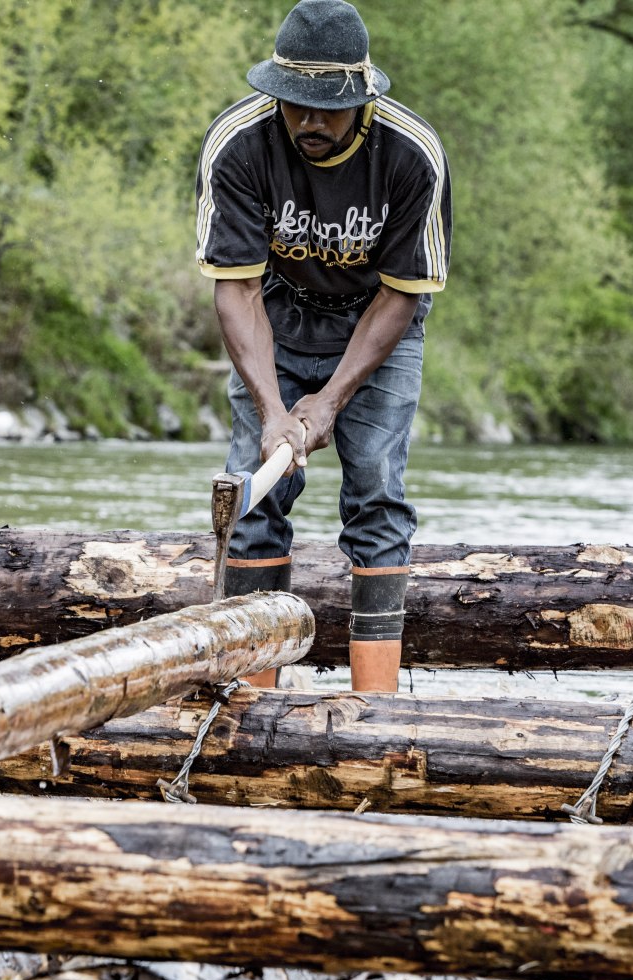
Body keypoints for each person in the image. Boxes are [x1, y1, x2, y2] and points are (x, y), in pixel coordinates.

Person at [195, 0, 450, 691]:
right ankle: (250, 701)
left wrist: (330, 402)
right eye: (294, 104)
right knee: (254, 497)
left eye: (326, 108)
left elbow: (403, 294)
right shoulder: (239, 145)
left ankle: (375, 708)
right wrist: (277, 412)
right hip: (274, 316)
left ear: (361, 97)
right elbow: (237, 292)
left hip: (377, 324)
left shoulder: (410, 156)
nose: (308, 121)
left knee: (374, 491)